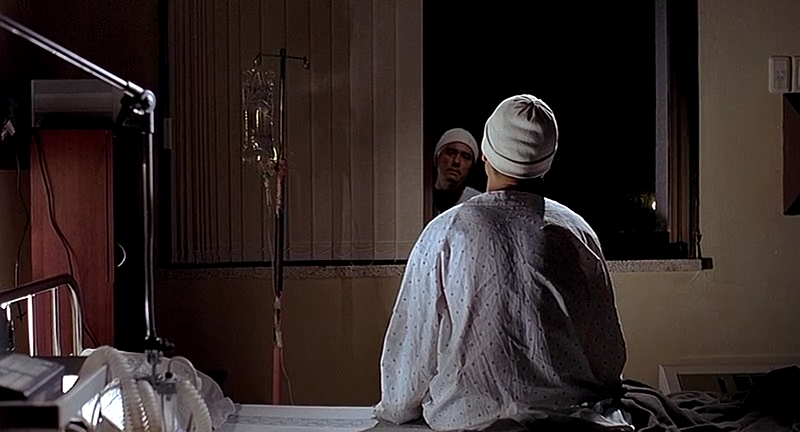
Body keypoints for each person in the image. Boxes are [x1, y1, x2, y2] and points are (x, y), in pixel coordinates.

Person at [374, 94, 628, 431]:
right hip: (573, 421)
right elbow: (608, 358)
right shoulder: (577, 231)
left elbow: (412, 352)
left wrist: (395, 410)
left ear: (484, 153)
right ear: (547, 162)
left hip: (466, 420)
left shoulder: (446, 231)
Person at [433, 128, 481, 216]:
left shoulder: (478, 203)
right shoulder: (420, 195)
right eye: (451, 153)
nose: (456, 161)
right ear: (437, 158)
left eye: (465, 157)